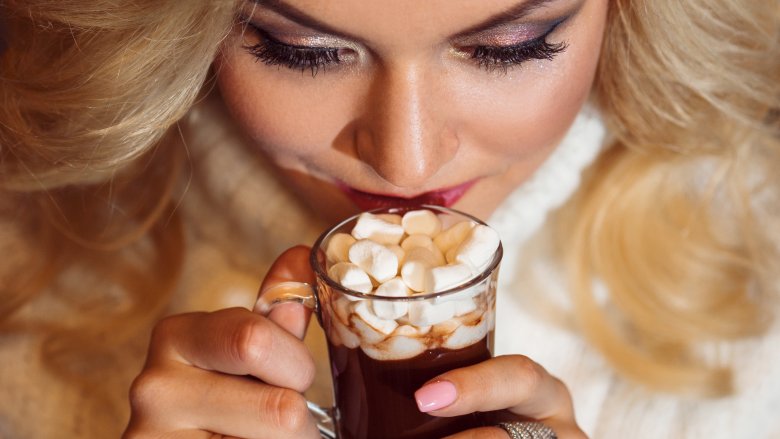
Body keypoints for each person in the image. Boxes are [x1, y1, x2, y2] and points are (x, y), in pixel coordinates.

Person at [0, 0, 777, 437]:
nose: (405, 165)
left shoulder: (761, 266)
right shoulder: (27, 278)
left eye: (509, 47)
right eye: (301, 50)